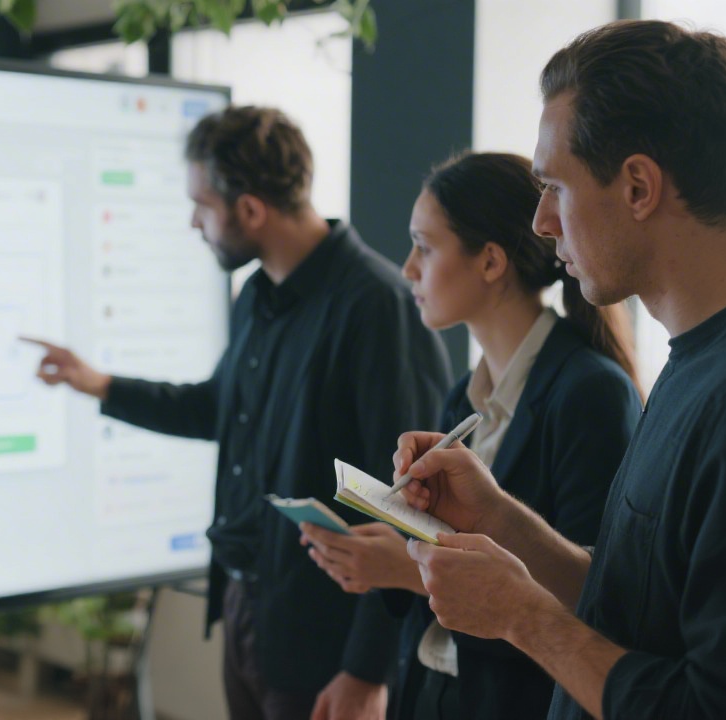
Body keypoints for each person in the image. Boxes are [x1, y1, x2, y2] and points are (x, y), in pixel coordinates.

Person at [392, 20, 726, 719]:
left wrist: (524, 619)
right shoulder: (707, 360)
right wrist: (503, 523)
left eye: (555, 188)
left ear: (637, 187)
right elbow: (646, 606)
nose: (541, 222)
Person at [25, 105, 451, 720]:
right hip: (250, 616)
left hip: (325, 643)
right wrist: (97, 383)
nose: (193, 222)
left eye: (201, 206)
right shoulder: (256, 296)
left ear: (250, 209)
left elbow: (411, 502)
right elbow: (215, 409)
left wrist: (366, 672)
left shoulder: (376, 307)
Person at [301, 151, 642, 720]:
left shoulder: (589, 392)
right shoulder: (463, 396)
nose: (407, 268)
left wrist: (409, 570)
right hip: (433, 690)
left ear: (489, 262)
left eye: (425, 247)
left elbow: (598, 599)